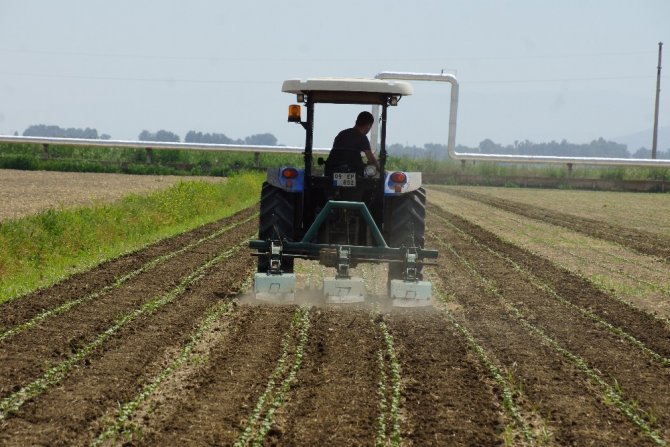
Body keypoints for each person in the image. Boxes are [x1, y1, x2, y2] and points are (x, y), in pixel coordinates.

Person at [325, 111, 379, 176]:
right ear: (368, 125)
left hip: (331, 170)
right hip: (353, 173)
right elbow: (371, 160)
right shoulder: (362, 137)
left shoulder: (341, 134)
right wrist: (381, 170)